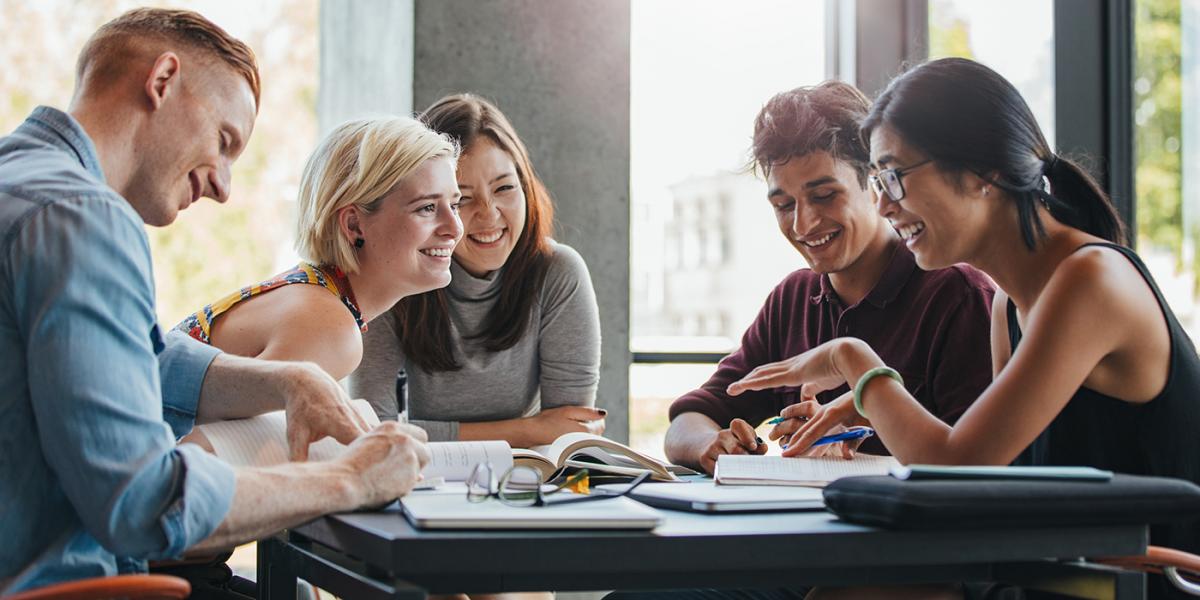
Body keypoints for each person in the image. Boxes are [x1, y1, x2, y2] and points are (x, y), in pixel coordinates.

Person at [731, 58, 1200, 599]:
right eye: (879, 180)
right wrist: (872, 409)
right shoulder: (1009, 305)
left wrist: (853, 361)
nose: (883, 204)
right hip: (1066, 579)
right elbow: (986, 485)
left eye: (895, 177)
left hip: (1148, 585)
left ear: (984, 173)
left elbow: (955, 467)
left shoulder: (1089, 280)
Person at [0, 8, 429, 595]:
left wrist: (289, 381)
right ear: (162, 81)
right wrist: (350, 479)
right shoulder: (83, 218)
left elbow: (141, 362)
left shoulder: (20, 182)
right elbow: (144, 502)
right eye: (224, 142)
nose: (224, 187)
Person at [664, 81, 995, 475]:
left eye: (823, 196)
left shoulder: (957, 295)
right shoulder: (793, 299)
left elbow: (976, 464)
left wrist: (861, 426)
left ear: (875, 184)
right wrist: (710, 444)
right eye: (784, 205)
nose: (803, 224)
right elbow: (689, 419)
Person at [349, 93, 605, 448]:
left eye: (504, 188)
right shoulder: (392, 275)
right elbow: (375, 432)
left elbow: (568, 432)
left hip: (526, 483)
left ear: (527, 187)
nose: (489, 214)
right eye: (462, 199)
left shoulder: (558, 273)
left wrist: (542, 432)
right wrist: (528, 430)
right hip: (416, 482)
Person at [176, 115, 464, 384]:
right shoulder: (330, 329)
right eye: (427, 208)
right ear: (354, 225)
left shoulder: (318, 295)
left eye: (454, 205)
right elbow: (207, 437)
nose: (455, 228)